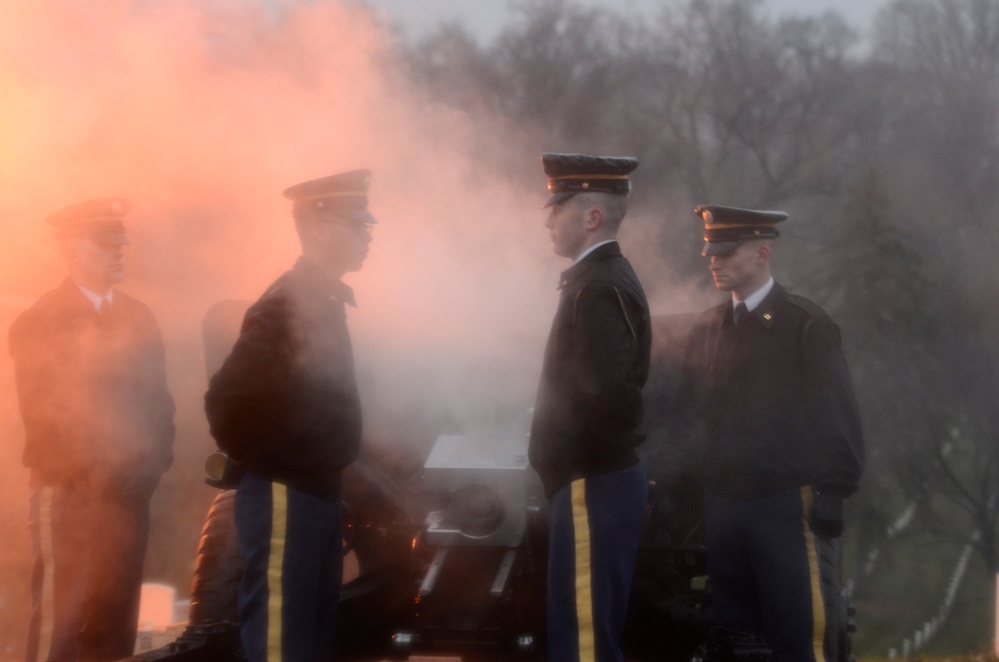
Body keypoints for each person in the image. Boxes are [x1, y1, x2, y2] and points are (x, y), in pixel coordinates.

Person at [673, 204, 865, 661]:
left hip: (784, 506)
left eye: (726, 252)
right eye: (710, 252)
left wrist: (834, 495)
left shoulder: (805, 327)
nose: (713, 261)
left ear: (762, 253)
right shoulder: (706, 328)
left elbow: (837, 417)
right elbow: (689, 416)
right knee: (732, 638)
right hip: (723, 506)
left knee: (799, 635)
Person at [204, 169, 375, 662]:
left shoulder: (321, 297)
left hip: (316, 495)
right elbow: (226, 402)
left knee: (312, 643)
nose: (367, 236)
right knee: (282, 643)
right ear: (319, 228)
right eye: (356, 224)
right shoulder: (284, 304)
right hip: (286, 497)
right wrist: (281, 464)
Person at [8, 198, 176, 662]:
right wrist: (95, 475)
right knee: (59, 626)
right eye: (104, 243)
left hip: (128, 494)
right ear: (72, 250)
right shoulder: (40, 321)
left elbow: (159, 406)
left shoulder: (139, 317)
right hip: (68, 493)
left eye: (120, 242)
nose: (118, 252)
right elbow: (44, 419)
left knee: (115, 620)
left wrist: (150, 469)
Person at [529, 153, 651, 662]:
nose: (547, 218)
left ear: (592, 217)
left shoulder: (598, 286)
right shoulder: (597, 279)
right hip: (589, 482)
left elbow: (607, 398)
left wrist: (564, 464)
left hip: (590, 485)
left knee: (583, 644)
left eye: (557, 207)